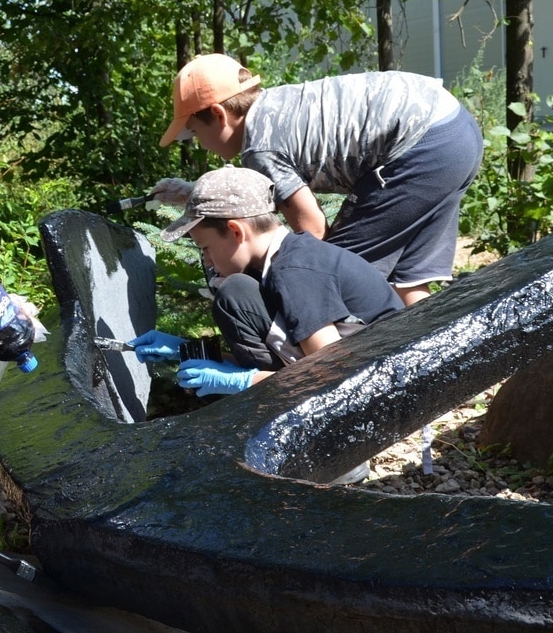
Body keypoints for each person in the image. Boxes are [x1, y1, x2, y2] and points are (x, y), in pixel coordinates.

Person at [153, 53, 483, 308]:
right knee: (409, 282)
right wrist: (193, 194)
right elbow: (263, 196)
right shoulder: (276, 106)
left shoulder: (259, 143)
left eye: (195, 133)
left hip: (418, 145)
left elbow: (312, 229)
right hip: (455, 129)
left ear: (219, 115)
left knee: (338, 280)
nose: (200, 145)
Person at [130, 166, 403, 398]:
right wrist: (185, 350)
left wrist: (244, 382)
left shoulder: (294, 271)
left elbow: (334, 374)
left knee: (234, 294)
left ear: (236, 231)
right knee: (239, 294)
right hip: (369, 376)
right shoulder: (286, 258)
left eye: (206, 248)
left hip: (384, 387)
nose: (209, 261)